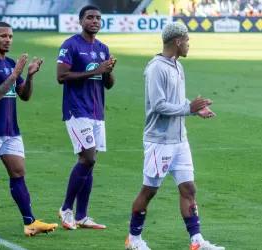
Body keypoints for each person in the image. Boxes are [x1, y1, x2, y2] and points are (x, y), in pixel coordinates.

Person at [124, 22, 224, 250]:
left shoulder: (177, 66)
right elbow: (159, 105)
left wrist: (194, 108)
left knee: (189, 188)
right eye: (187, 40)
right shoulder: (156, 68)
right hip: (159, 141)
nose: (189, 44)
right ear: (178, 41)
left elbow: (176, 103)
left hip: (180, 140)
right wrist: (188, 109)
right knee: (149, 190)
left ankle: (196, 241)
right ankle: (134, 239)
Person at [0, 21, 58, 237]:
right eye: (3, 36)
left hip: (11, 130)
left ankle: (30, 222)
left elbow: (25, 96)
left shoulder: (11, 63)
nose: (8, 40)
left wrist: (29, 75)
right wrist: (15, 74)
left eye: (10, 36)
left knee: (18, 173)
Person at [56, 5, 116, 230]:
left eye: (98, 18)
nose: (95, 21)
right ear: (81, 21)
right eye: (90, 17)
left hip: (97, 111)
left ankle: (82, 215)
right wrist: (95, 70)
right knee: (87, 158)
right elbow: (61, 76)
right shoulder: (70, 45)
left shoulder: (103, 48)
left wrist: (107, 71)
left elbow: (108, 84)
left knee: (90, 163)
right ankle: (66, 208)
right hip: (76, 110)